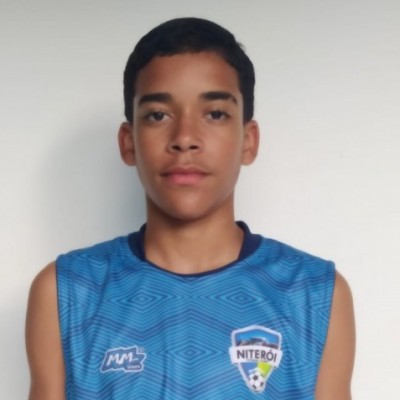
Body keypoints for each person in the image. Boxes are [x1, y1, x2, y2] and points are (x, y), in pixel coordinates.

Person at [26, 17, 355, 400]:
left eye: (215, 113)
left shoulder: (315, 294)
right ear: (128, 143)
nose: (185, 138)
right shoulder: (66, 293)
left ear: (248, 141)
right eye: (158, 115)